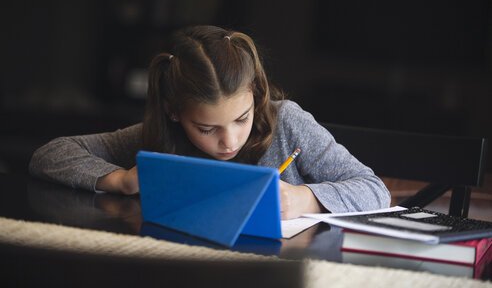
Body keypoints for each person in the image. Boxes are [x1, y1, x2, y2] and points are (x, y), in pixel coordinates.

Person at [29, 25, 391, 220]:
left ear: (256, 95)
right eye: (206, 129)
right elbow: (51, 154)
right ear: (175, 113)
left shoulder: (287, 123)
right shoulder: (163, 133)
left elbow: (373, 188)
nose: (229, 140)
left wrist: (303, 199)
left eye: (241, 118)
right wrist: (122, 180)